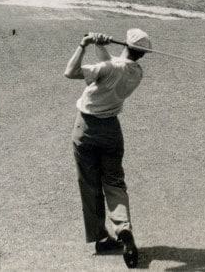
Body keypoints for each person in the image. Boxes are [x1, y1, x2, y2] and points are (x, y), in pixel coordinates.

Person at [63, 28, 151, 268]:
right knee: (114, 182)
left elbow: (70, 72)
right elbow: (112, 66)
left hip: (86, 130)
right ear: (142, 54)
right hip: (111, 131)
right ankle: (124, 231)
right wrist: (99, 46)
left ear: (126, 44)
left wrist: (83, 44)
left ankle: (101, 238)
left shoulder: (109, 68)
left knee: (90, 184)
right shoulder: (137, 72)